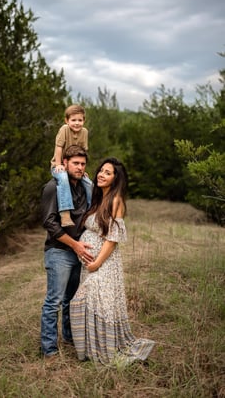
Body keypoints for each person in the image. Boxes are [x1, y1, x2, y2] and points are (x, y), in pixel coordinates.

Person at [70, 157, 155, 366]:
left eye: (108, 173)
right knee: (92, 303)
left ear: (116, 179)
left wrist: (97, 263)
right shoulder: (97, 198)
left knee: (97, 302)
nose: (102, 174)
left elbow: (112, 239)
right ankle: (92, 349)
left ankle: (107, 348)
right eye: (101, 170)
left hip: (105, 264)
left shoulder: (116, 200)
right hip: (90, 264)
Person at [41, 145, 94, 360]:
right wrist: (75, 245)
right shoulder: (53, 187)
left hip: (79, 251)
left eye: (83, 164)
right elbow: (50, 224)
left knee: (72, 300)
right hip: (59, 252)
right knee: (54, 301)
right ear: (64, 163)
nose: (80, 167)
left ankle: (71, 338)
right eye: (75, 163)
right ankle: (49, 350)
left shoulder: (85, 187)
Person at [51, 104, 92, 227]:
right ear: (67, 120)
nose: (77, 123)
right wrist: (58, 164)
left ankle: (90, 212)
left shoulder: (84, 132)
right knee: (63, 178)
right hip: (59, 165)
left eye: (80, 120)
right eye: (73, 120)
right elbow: (58, 148)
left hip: (74, 166)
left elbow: (83, 152)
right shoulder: (64, 129)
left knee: (89, 183)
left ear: (84, 121)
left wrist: (82, 169)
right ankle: (65, 214)